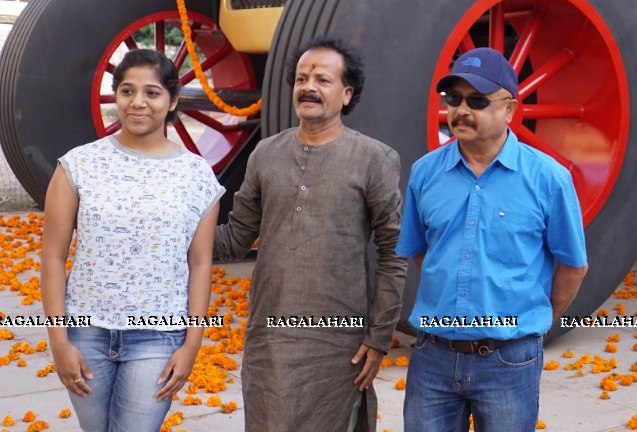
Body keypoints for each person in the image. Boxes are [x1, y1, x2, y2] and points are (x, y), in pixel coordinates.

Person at [214, 37, 405, 432]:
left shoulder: (374, 159)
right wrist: (166, 232)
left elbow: (393, 253)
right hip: (270, 337)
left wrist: (379, 336)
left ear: (346, 93)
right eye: (302, 78)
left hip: (339, 343)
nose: (309, 87)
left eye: (322, 79)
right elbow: (235, 238)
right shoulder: (266, 153)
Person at [398, 47, 589, 432]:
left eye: (478, 100)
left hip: (509, 360)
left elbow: (572, 266)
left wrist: (535, 322)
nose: (461, 110)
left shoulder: (549, 179)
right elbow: (422, 252)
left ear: (510, 110)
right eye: (453, 99)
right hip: (432, 356)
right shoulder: (424, 174)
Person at [41, 48, 223, 432]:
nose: (138, 103)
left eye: (152, 93)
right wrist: (59, 340)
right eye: (127, 91)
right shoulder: (78, 165)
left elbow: (200, 263)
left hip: (158, 337)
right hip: (85, 332)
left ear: (172, 101)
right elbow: (53, 258)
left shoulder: (197, 175)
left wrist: (191, 345)